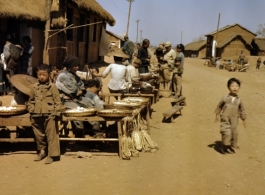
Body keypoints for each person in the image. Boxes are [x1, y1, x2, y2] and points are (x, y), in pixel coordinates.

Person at [28, 64, 62, 164]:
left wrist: (56, 113)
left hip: (50, 114)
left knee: (51, 135)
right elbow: (31, 100)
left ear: (49, 75)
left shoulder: (53, 87)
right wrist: (31, 109)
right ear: (37, 75)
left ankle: (51, 155)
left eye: (44, 75)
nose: (41, 77)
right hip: (36, 114)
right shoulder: (33, 87)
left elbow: (57, 101)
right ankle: (42, 151)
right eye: (39, 75)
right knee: (39, 135)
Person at [55, 56, 98, 132]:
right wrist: (80, 90)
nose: (77, 68)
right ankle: (79, 137)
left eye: (77, 65)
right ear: (69, 66)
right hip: (67, 101)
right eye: (74, 66)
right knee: (78, 115)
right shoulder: (63, 76)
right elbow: (73, 91)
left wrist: (80, 90)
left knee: (91, 108)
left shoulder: (73, 75)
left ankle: (95, 132)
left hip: (76, 98)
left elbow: (82, 86)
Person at [214, 78, 246, 154]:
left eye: (236, 86)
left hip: (235, 119)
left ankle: (229, 146)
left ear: (239, 88)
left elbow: (242, 110)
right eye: (232, 86)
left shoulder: (239, 100)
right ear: (228, 87)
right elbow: (219, 106)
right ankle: (223, 146)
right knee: (226, 132)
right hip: (225, 118)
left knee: (234, 133)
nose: (234, 88)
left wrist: (243, 119)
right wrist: (217, 115)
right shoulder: (225, 98)